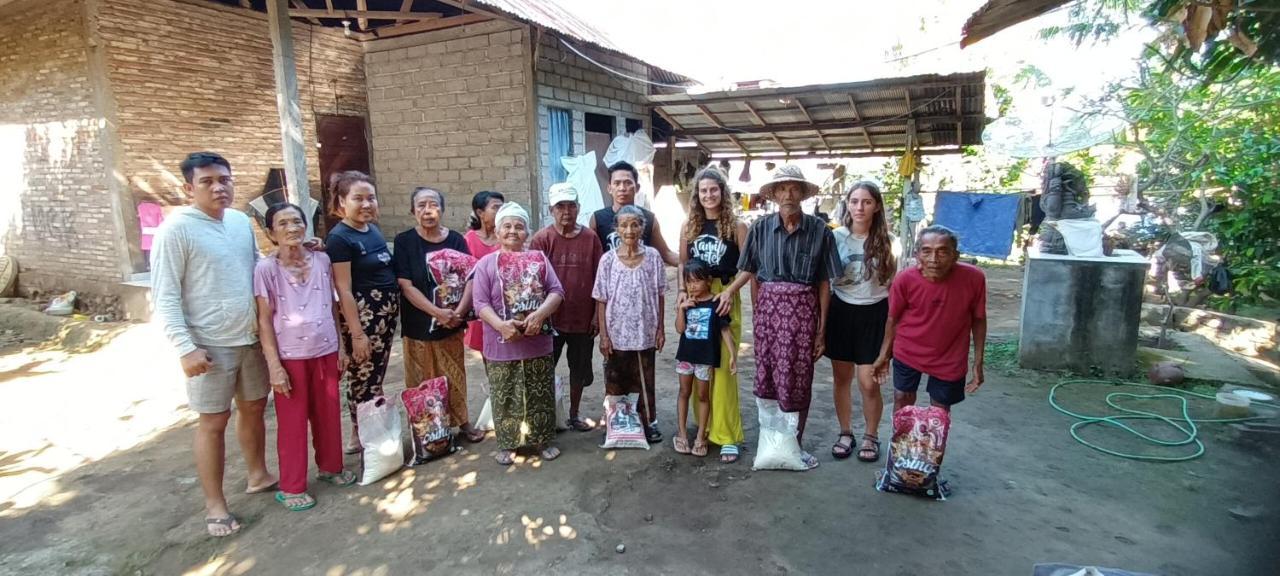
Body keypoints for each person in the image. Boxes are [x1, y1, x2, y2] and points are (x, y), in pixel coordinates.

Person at [150, 151, 275, 537]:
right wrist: (185, 347)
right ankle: (215, 505)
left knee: (254, 408)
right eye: (207, 181)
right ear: (189, 188)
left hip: (250, 337)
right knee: (213, 422)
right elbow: (165, 295)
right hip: (208, 344)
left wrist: (296, 253)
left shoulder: (239, 221)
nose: (219, 187)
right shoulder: (177, 230)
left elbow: (257, 268)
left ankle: (258, 474)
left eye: (224, 179)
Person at [718, 165, 840, 470]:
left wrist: (821, 330)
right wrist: (732, 292)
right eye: (782, 189)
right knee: (769, 377)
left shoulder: (820, 232)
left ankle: (794, 446)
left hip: (803, 316)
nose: (788, 194)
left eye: (794, 188)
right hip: (769, 317)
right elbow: (749, 269)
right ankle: (772, 444)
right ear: (773, 195)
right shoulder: (759, 229)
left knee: (799, 380)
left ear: (802, 194)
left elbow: (825, 282)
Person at [254, 203, 357, 512]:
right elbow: (263, 319)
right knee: (292, 423)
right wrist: (274, 366)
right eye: (282, 223)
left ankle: (330, 468)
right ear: (271, 233)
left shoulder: (322, 260)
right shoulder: (266, 269)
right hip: (289, 356)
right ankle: (292, 486)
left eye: (297, 221)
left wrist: (340, 347)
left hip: (325, 349)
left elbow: (332, 305)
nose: (292, 228)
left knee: (328, 414)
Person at [472, 202, 565, 465]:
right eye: (507, 226)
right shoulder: (486, 264)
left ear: (527, 233)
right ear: (498, 230)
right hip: (501, 342)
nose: (513, 231)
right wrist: (501, 325)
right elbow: (480, 304)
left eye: (519, 226)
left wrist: (540, 315)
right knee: (505, 393)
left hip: (538, 340)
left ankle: (542, 440)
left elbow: (557, 292)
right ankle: (508, 442)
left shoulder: (539, 259)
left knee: (540, 392)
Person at [393, 187, 486, 444]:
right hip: (418, 323)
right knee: (420, 378)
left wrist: (457, 313)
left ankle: (461, 421)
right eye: (421, 205)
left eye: (433, 205)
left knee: (454, 374)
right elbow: (405, 284)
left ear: (442, 209)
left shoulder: (456, 239)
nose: (427, 210)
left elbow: (470, 277)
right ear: (413, 211)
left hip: (452, 322)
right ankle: (428, 430)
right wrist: (436, 312)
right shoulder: (405, 241)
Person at [872, 225, 987, 414]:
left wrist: (978, 362)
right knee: (902, 400)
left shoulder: (974, 278)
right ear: (917, 255)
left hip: (950, 355)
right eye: (927, 252)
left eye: (942, 252)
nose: (934, 260)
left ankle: (934, 445)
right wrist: (884, 356)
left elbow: (979, 320)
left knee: (939, 411)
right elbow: (893, 319)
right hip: (909, 350)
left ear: (955, 256)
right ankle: (900, 442)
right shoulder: (905, 279)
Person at [678, 165, 748, 463]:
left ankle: (728, 435)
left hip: (724, 295)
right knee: (699, 365)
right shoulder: (689, 226)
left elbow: (748, 267)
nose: (708, 195)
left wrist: (730, 292)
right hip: (697, 297)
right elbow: (683, 263)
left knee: (723, 368)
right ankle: (704, 428)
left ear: (723, 192)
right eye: (703, 190)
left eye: (713, 190)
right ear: (697, 194)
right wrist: (683, 291)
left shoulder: (737, 226)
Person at [325, 171, 398, 453]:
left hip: (385, 319)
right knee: (362, 379)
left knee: (374, 377)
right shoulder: (340, 238)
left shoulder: (372, 230)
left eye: (371, 198)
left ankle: (371, 432)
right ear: (342, 202)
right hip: (364, 321)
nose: (366, 204)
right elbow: (343, 289)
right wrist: (356, 335)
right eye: (358, 199)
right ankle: (363, 438)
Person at [826, 182, 898, 462]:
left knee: (868, 382)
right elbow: (826, 279)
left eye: (866, 202)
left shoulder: (888, 241)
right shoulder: (835, 237)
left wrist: (890, 341)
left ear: (876, 206)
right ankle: (846, 432)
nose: (859, 207)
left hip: (874, 313)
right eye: (854, 201)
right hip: (841, 311)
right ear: (847, 204)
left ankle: (871, 435)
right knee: (841, 378)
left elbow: (895, 289)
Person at [529, 183, 604, 431]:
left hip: (583, 319)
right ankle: (547, 415)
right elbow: (532, 283)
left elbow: (599, 279)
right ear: (551, 209)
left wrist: (596, 316)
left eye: (571, 206)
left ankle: (573, 413)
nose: (566, 211)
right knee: (544, 368)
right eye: (560, 206)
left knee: (579, 368)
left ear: (579, 208)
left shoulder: (590, 239)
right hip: (551, 320)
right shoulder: (542, 239)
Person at [593, 205, 667, 444]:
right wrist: (604, 336)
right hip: (617, 333)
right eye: (624, 225)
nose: (629, 230)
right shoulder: (607, 260)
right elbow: (601, 300)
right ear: (616, 229)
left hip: (645, 331)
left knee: (644, 379)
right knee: (616, 379)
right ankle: (617, 423)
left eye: (635, 224)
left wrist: (660, 329)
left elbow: (660, 294)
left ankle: (648, 424)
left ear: (642, 228)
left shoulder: (653, 257)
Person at [673, 259, 737, 457]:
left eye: (697, 281)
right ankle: (682, 434)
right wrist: (682, 309)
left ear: (708, 281)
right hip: (686, 356)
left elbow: (725, 331)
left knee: (702, 396)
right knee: (684, 392)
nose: (693, 285)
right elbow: (679, 329)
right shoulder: (687, 303)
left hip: (705, 358)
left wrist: (733, 355)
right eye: (689, 281)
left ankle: (701, 436)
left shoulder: (716, 302)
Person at [589, 161, 679, 266]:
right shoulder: (598, 219)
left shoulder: (649, 219)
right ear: (609, 188)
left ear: (637, 188)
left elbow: (666, 254)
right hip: (611, 280)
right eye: (617, 183)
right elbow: (589, 257)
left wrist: (693, 263)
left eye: (628, 183)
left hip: (640, 278)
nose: (622, 188)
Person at [463, 191, 505, 353]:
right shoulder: (468, 240)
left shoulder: (506, 237)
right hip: (480, 306)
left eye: (503, 208)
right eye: (495, 208)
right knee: (487, 350)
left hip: (504, 303)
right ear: (480, 213)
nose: (500, 211)